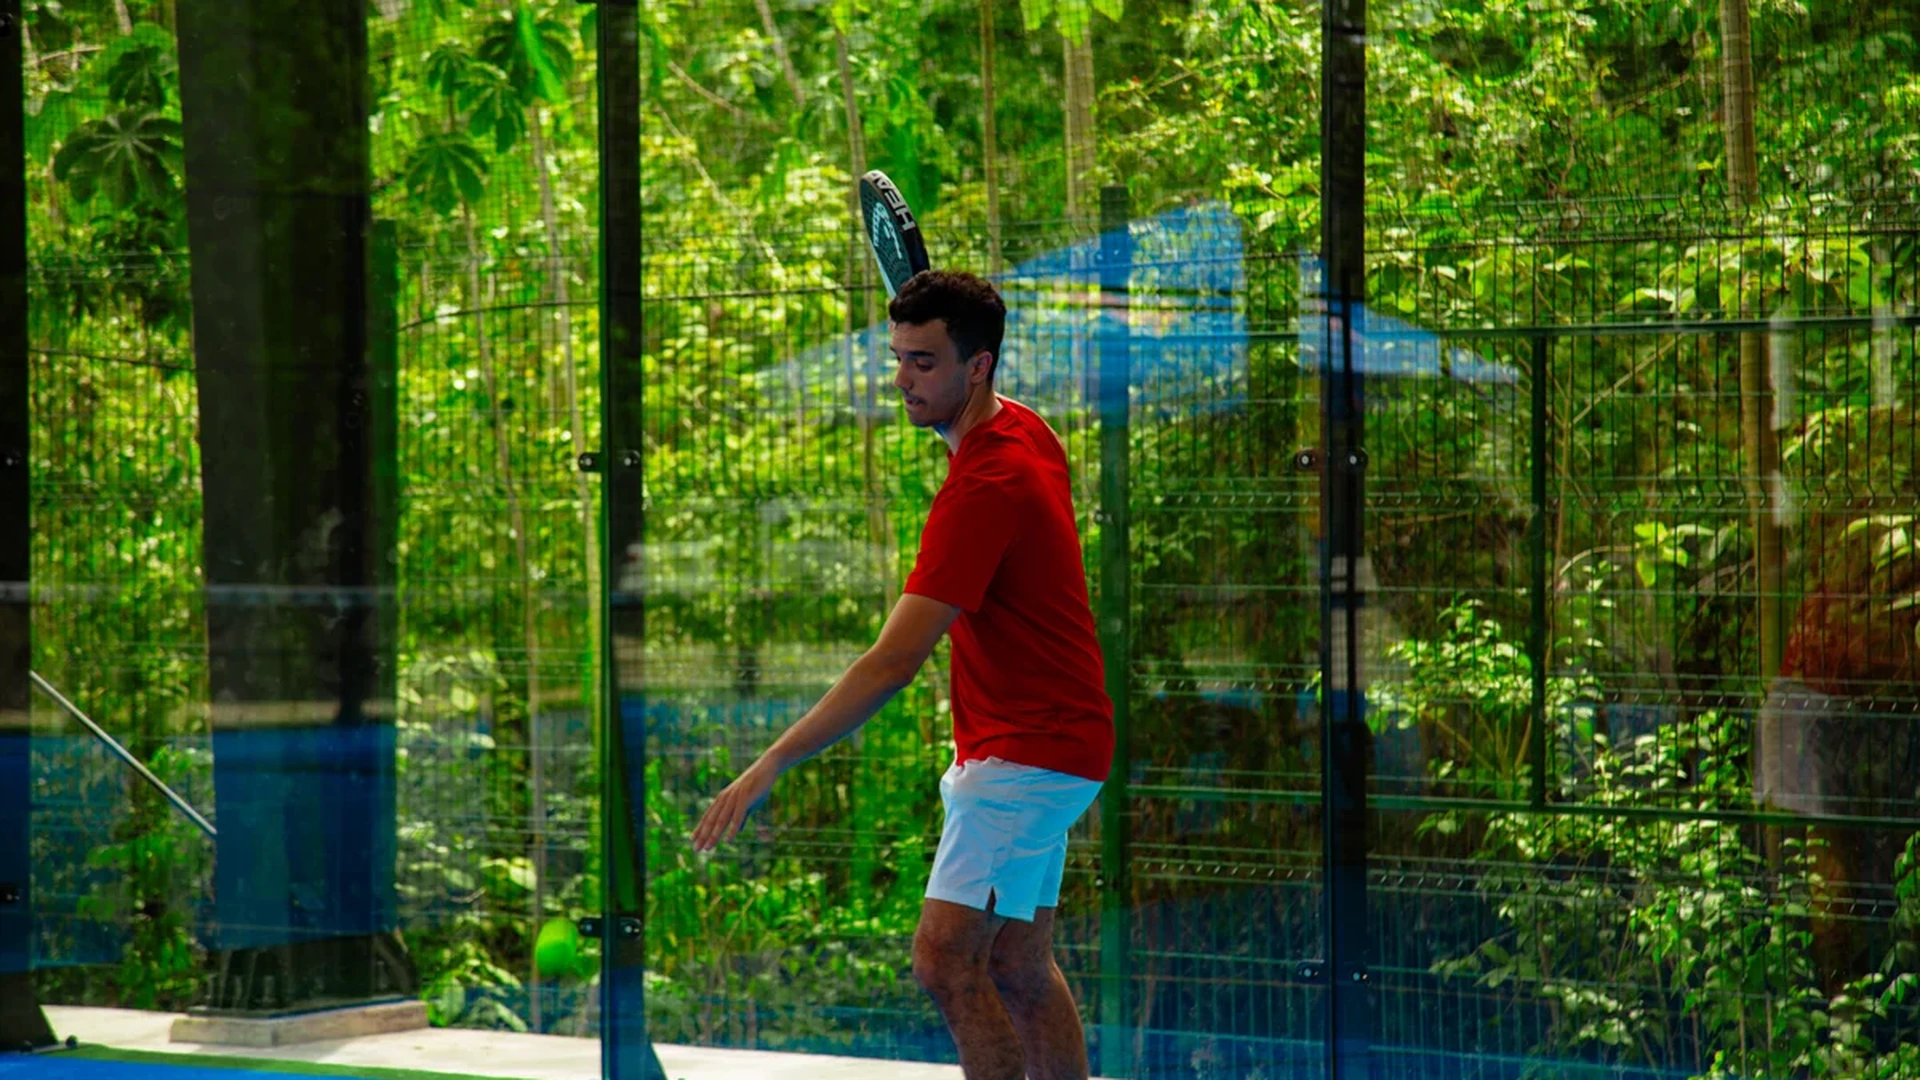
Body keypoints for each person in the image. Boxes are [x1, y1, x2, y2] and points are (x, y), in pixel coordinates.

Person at [691, 269, 1114, 1080]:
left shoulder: (985, 486)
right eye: (898, 358)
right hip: (1061, 746)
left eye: (923, 362)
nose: (902, 379)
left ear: (978, 365)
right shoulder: (1025, 431)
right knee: (1018, 966)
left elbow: (892, 661)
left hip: (1027, 754)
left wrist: (773, 760)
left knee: (944, 962)